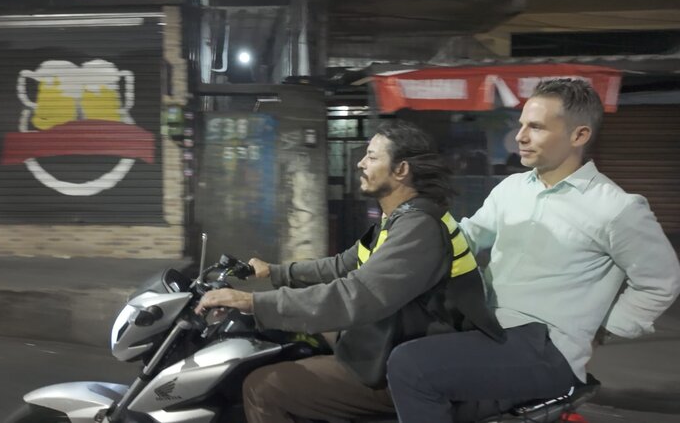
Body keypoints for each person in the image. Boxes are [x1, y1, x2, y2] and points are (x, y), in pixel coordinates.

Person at [386, 78, 680, 423]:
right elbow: (468, 236)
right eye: (522, 124)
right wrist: (407, 237)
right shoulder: (512, 188)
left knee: (411, 366)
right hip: (489, 326)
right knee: (391, 336)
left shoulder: (616, 208)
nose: (520, 137)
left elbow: (660, 281)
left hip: (545, 347)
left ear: (579, 136)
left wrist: (605, 327)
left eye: (536, 127)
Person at [195, 120, 503, 423]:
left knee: (262, 388)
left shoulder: (419, 228)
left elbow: (357, 295)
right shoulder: (398, 219)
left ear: (401, 170)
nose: (360, 163)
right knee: (290, 337)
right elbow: (342, 265)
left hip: (407, 361)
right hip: (390, 336)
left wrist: (253, 303)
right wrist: (273, 273)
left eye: (371, 156)